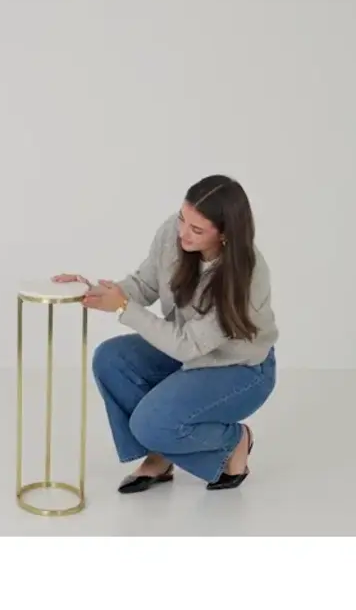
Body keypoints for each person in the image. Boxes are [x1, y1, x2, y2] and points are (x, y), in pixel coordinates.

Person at [54, 174, 278, 492]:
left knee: (150, 422)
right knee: (111, 359)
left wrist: (124, 308)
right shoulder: (173, 233)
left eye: (197, 230)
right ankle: (159, 455)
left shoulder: (246, 276)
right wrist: (93, 292)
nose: (182, 232)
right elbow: (144, 284)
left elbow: (187, 345)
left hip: (240, 369)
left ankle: (234, 440)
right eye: (183, 218)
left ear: (225, 233)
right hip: (188, 351)